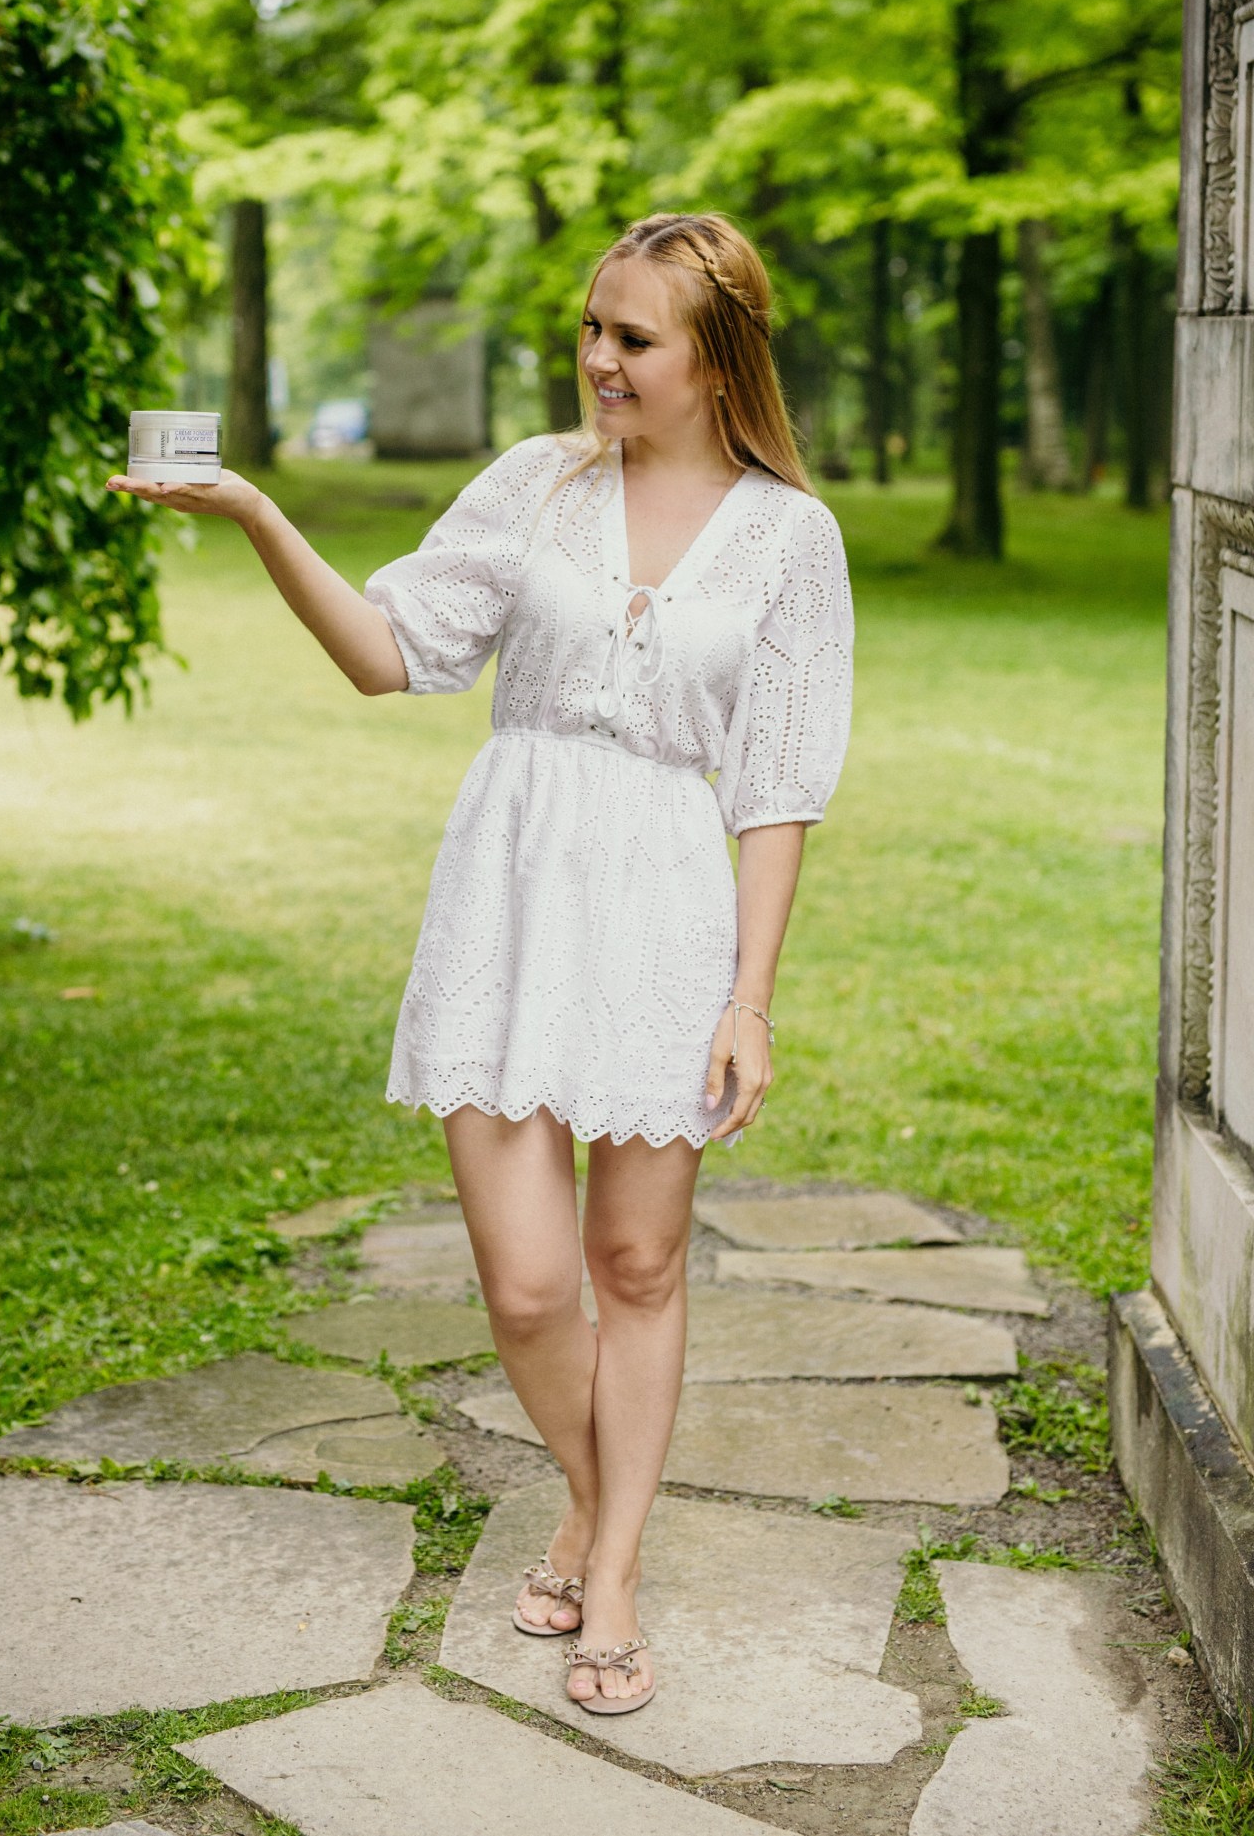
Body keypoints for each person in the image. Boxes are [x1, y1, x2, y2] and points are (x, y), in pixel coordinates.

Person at [108, 210, 853, 1716]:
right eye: (590, 327)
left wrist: (749, 1001)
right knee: (526, 1287)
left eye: (632, 338)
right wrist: (256, 513)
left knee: (635, 1265)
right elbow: (389, 653)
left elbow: (777, 789)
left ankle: (611, 1565)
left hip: (666, 912)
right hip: (508, 903)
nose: (598, 359)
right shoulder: (536, 483)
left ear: (717, 359)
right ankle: (590, 1491)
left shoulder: (793, 538)